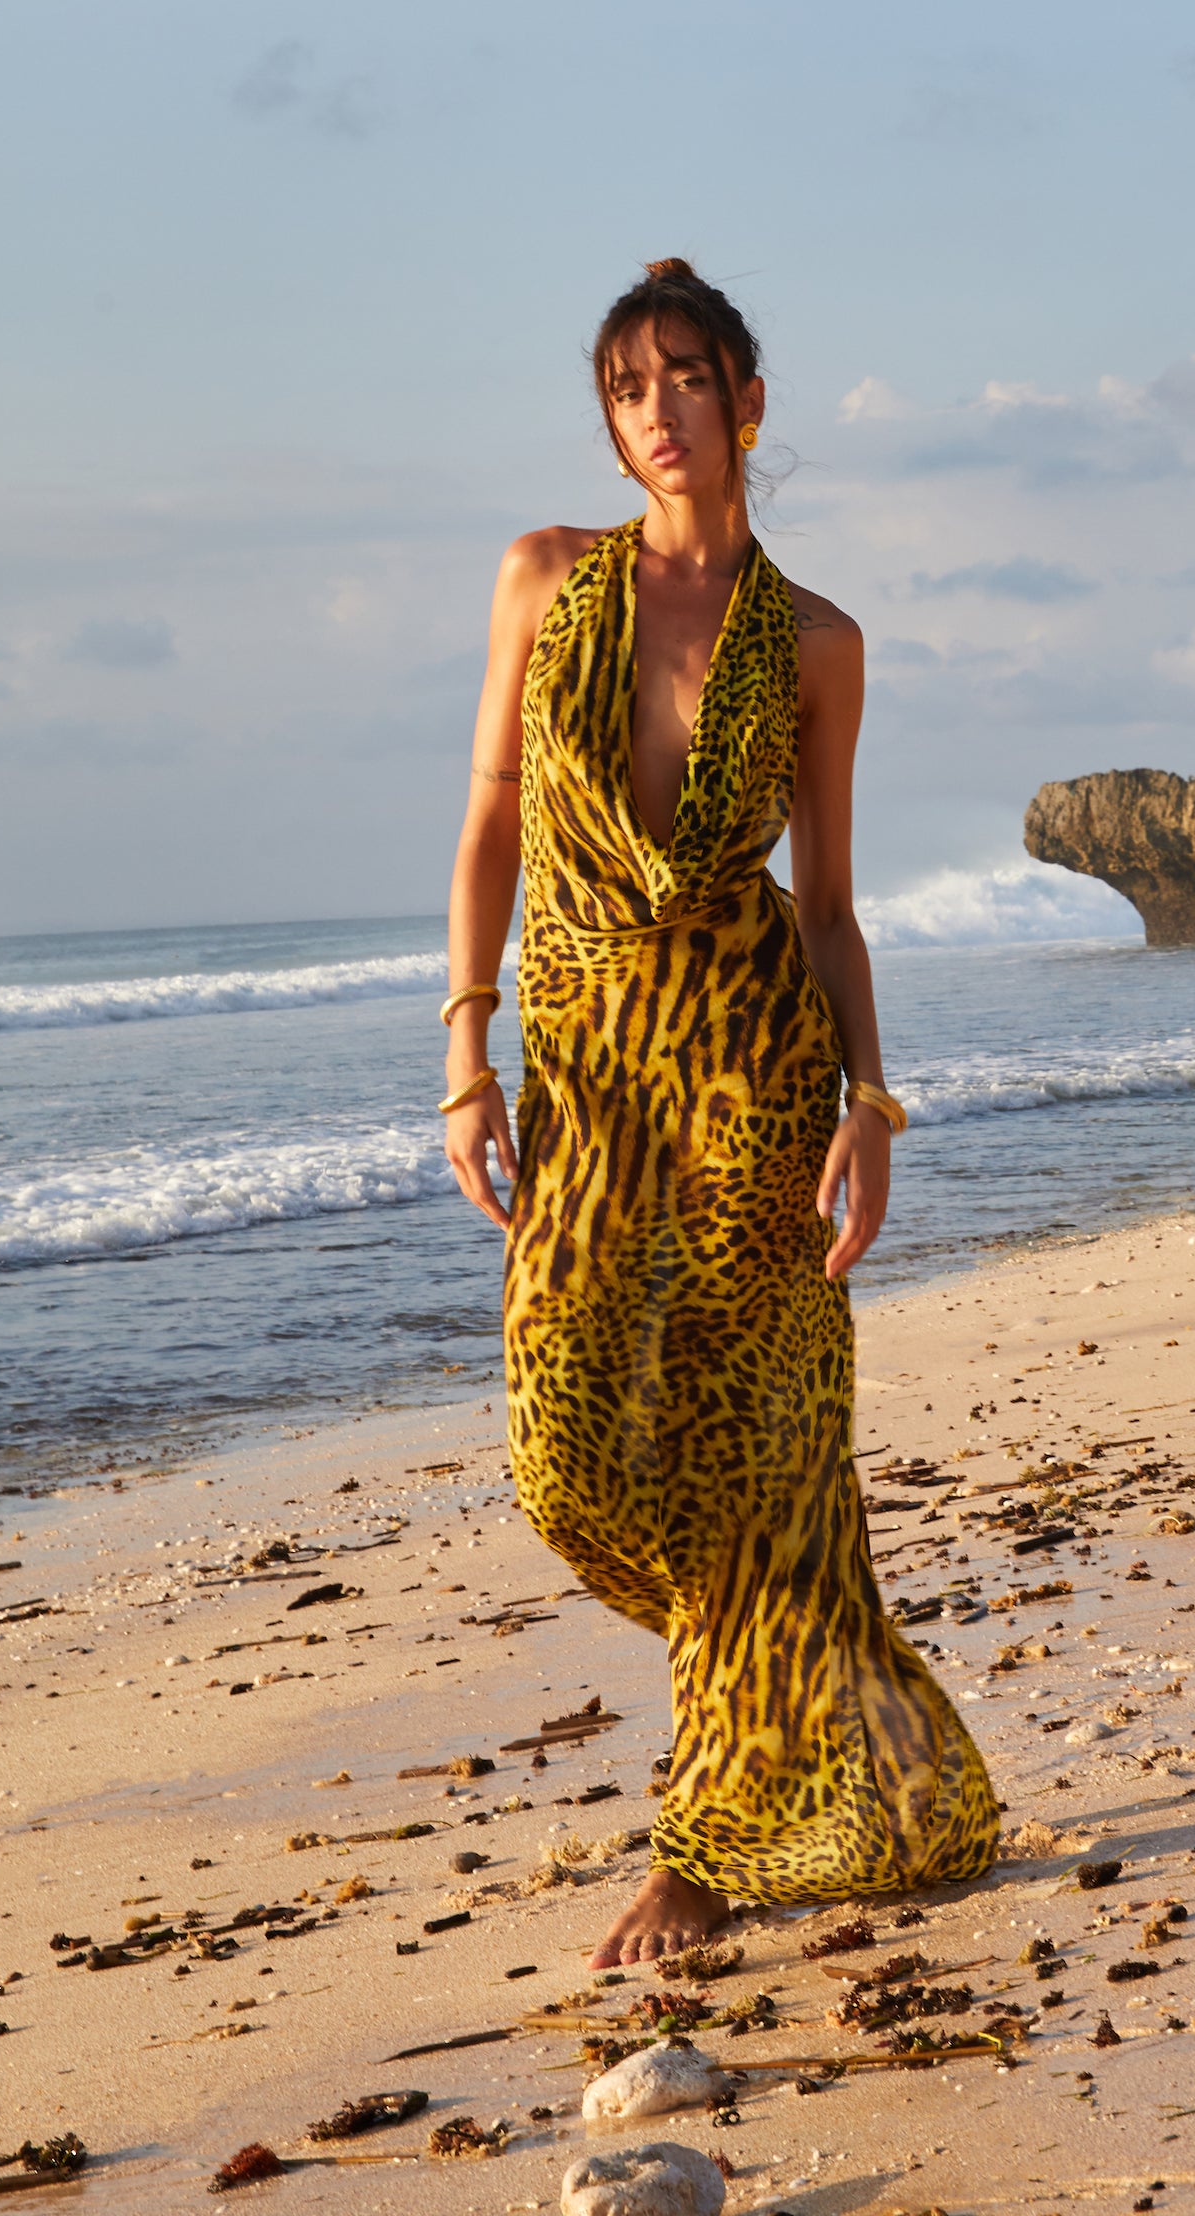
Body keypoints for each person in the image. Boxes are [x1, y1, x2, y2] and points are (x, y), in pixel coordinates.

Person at [437, 257, 999, 1964]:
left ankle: (706, 1837)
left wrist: (874, 1103)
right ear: (609, 431)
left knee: (755, 1458)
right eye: (628, 390)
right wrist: (467, 1048)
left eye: (688, 379)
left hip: (758, 1067)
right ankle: (811, 1706)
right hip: (592, 1070)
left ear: (747, 403)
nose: (660, 413)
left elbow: (827, 902)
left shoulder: (815, 642)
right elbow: (489, 828)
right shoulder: (545, 581)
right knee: (569, 1452)